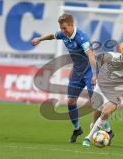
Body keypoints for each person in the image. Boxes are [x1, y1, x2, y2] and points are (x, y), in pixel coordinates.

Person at [31, 14, 104, 143]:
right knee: (70, 101)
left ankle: (106, 129)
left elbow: (91, 56)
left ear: (71, 25)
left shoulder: (82, 38)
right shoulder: (63, 34)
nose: (63, 31)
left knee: (96, 101)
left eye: (64, 28)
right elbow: (52, 36)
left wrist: (94, 74)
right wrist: (39, 39)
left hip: (89, 71)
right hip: (76, 71)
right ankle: (77, 129)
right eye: (61, 28)